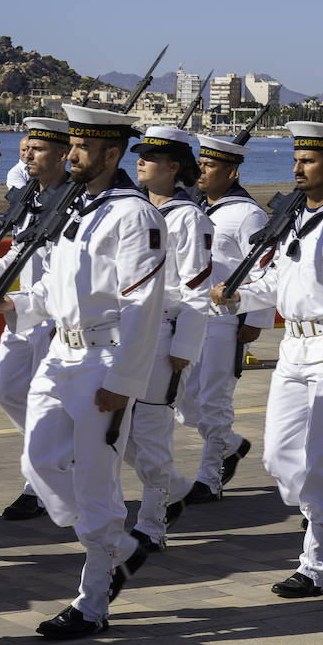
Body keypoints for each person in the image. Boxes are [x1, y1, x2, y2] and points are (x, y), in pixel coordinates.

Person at [0, 102, 163, 638]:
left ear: (111, 152)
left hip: (103, 359)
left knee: (97, 477)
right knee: (39, 462)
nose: (72, 153)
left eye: (82, 146)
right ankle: (116, 545)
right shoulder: (76, 208)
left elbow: (143, 306)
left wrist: (122, 382)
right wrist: (14, 305)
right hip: (60, 354)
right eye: (72, 145)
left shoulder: (134, 215)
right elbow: (52, 287)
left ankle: (93, 600)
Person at [211, 121, 323, 598]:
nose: (298, 168)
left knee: (321, 460)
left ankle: (315, 562)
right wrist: (236, 296)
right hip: (293, 348)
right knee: (279, 457)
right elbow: (276, 284)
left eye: (308, 161)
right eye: (296, 160)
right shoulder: (294, 217)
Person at [122, 126, 212, 551]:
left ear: (175, 167)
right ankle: (173, 488)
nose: (140, 161)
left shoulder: (189, 217)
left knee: (153, 432)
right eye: (139, 155)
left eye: (151, 157)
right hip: (126, 333)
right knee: (115, 429)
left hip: (164, 335)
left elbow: (196, 290)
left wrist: (184, 348)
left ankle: (153, 524)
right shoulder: (134, 209)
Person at [176, 134, 269, 503]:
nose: (201, 170)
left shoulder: (248, 214)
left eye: (210, 165)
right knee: (184, 404)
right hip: (193, 315)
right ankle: (229, 444)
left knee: (214, 400)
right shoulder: (194, 206)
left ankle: (209, 478)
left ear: (231, 172)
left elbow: (264, 267)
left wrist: (254, 320)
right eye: (200, 163)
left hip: (225, 319)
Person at [0, 119, 70, 521]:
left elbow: (65, 270)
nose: (28, 154)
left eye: (38, 149)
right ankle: (54, 457)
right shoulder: (29, 198)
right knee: (6, 390)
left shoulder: (74, 203)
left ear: (61, 154)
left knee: (44, 403)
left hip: (52, 316)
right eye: (28, 147)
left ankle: (37, 484)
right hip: (21, 314)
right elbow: (17, 252)